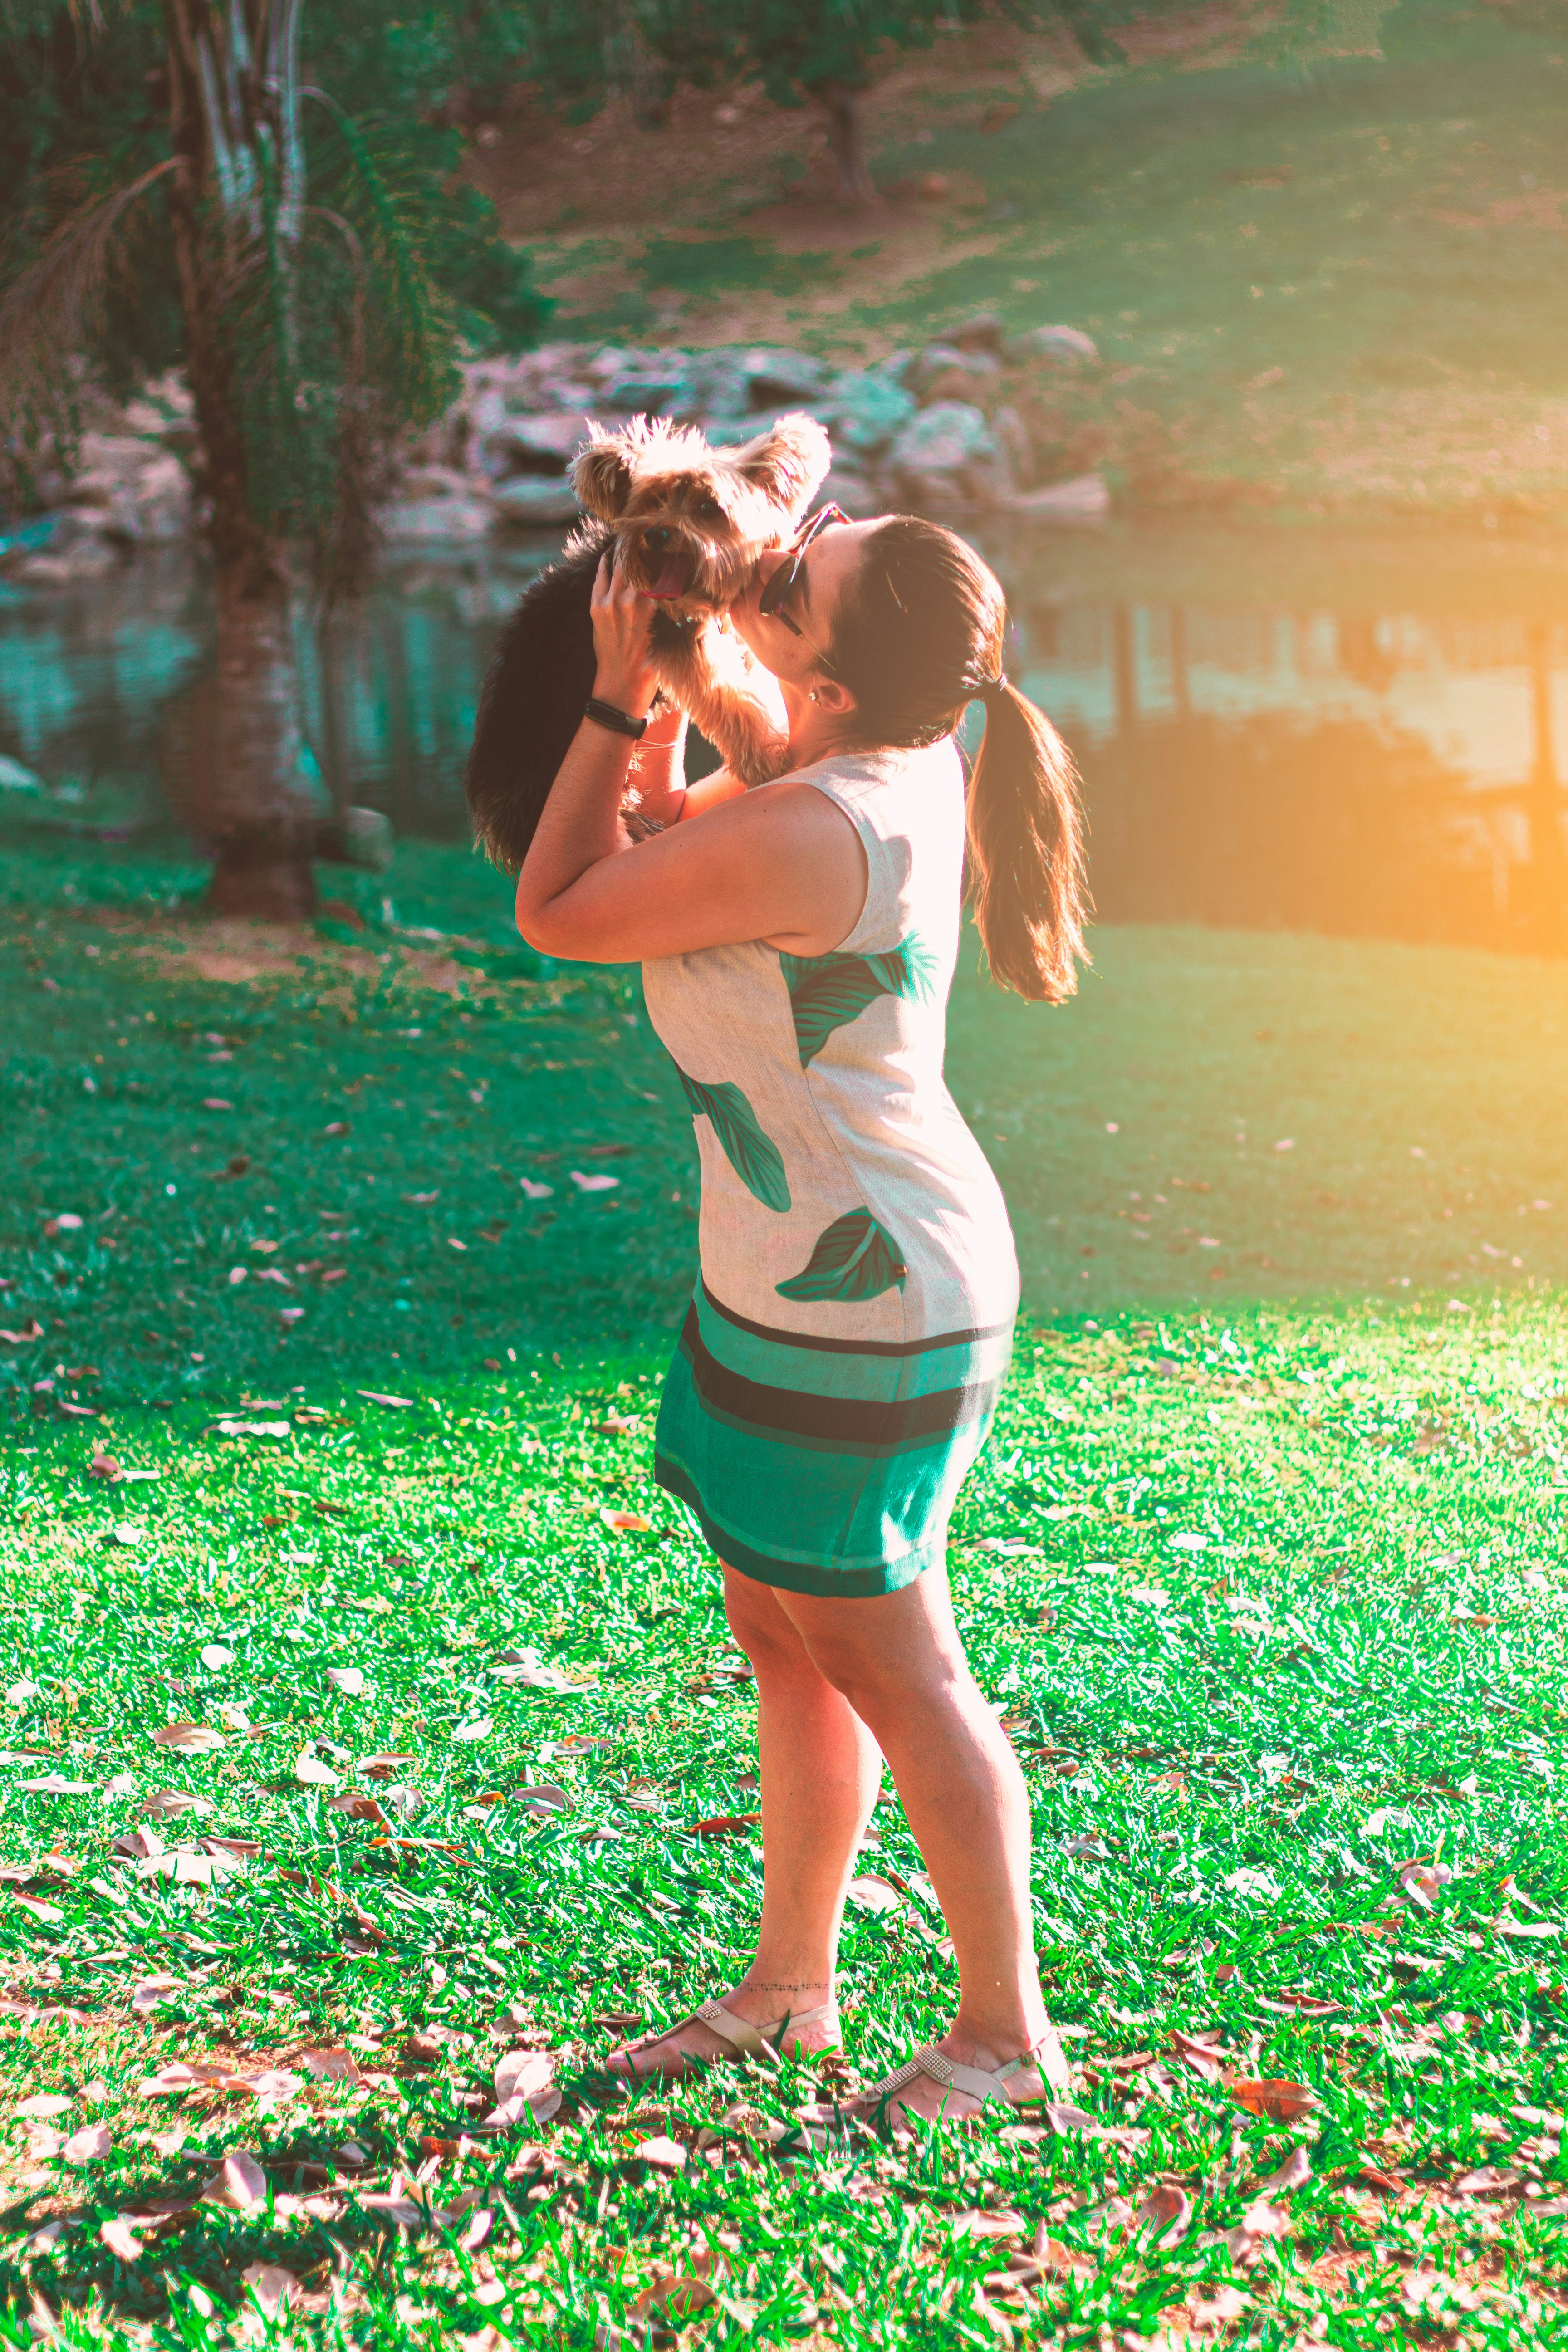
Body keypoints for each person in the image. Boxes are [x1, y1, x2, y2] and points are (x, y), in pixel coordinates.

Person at [513, 509, 1088, 2126]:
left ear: (831, 684)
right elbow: (699, 813)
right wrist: (690, 673)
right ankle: (789, 1995)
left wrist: (626, 692)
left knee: (897, 1662)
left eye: (794, 583)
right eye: (812, 540)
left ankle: (1006, 2043)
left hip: (874, 1296)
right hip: (793, 1274)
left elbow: (562, 904)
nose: (785, 558)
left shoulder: (823, 825)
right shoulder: (873, 759)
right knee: (786, 1638)